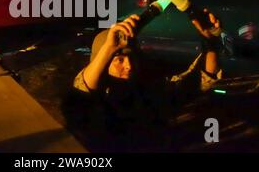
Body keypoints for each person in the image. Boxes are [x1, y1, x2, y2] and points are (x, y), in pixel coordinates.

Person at [64, 9, 223, 151]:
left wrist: (211, 43)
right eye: (119, 59)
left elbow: (198, 81)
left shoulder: (149, 90)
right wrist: (109, 48)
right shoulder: (91, 104)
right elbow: (82, 92)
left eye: (132, 57)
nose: (129, 66)